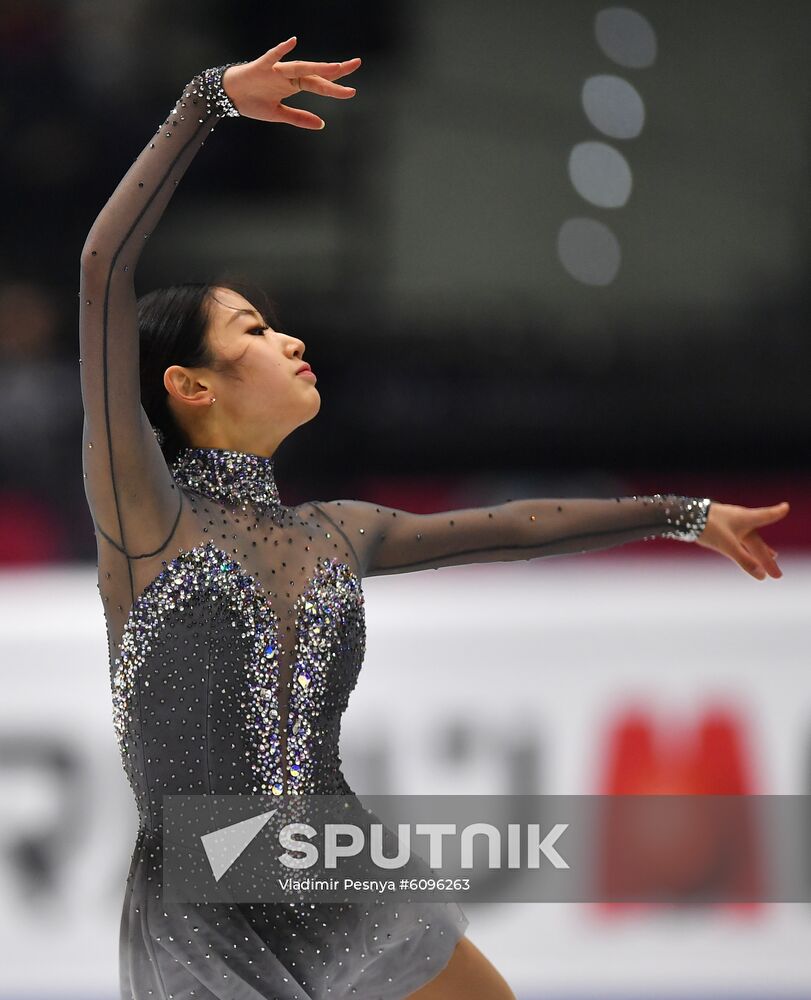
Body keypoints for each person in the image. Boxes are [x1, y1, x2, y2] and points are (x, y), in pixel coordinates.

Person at [78, 36, 789, 1000]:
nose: (289, 337)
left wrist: (683, 512)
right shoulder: (144, 517)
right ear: (187, 384)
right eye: (252, 328)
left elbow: (512, 526)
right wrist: (206, 100)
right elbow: (103, 265)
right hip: (204, 892)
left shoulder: (333, 532)